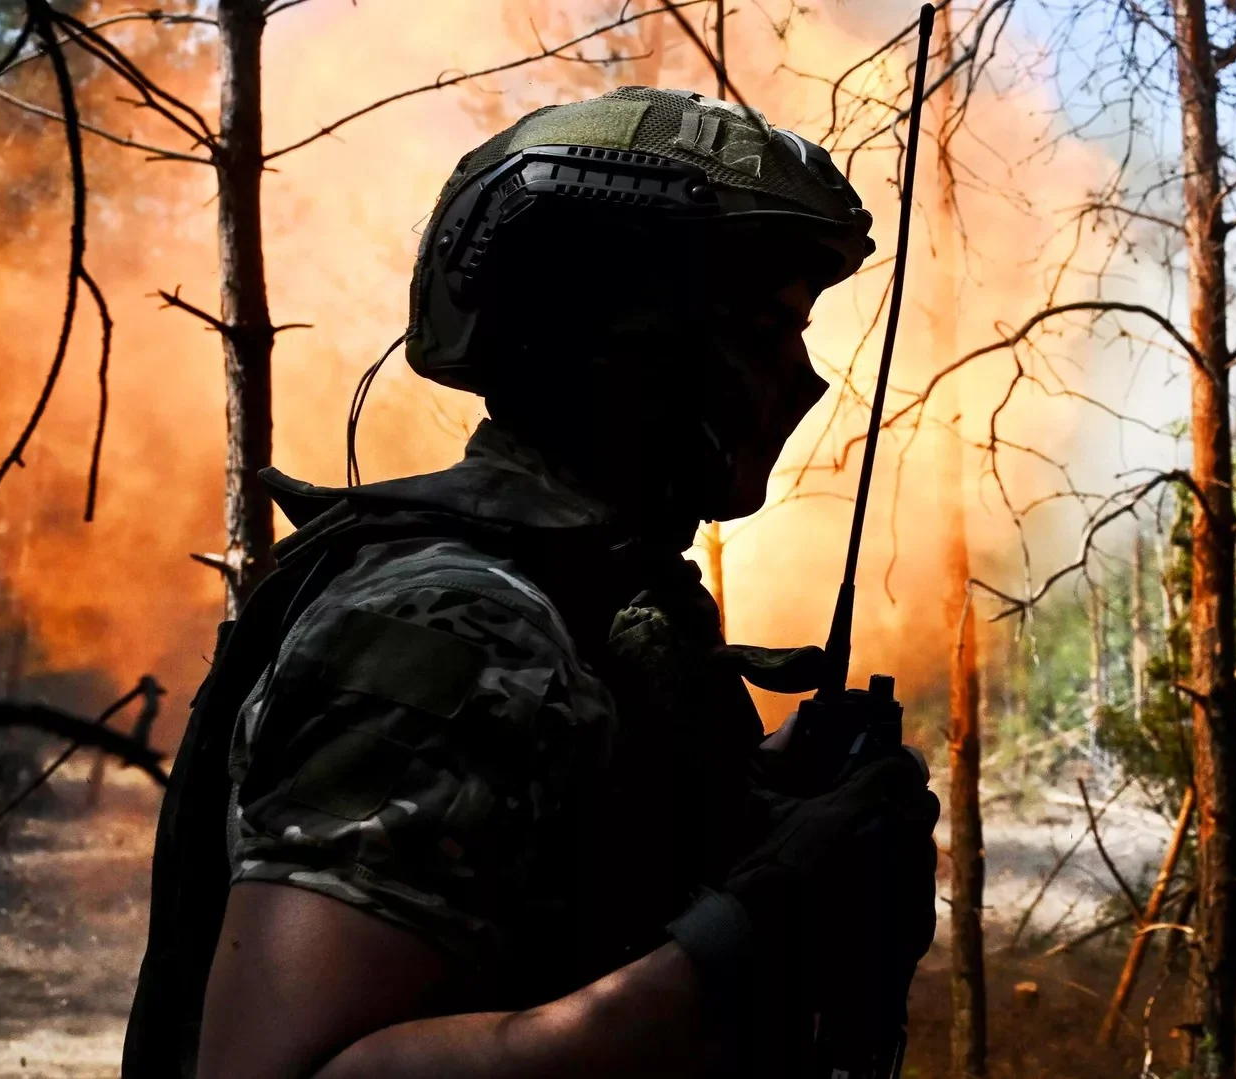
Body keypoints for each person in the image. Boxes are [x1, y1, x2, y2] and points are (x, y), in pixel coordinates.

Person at [122, 87, 939, 1079]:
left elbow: (553, 879)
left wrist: (760, 797)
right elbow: (284, 1067)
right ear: (632, 338)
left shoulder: (593, 601)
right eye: (768, 329)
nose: (804, 379)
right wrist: (746, 942)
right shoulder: (454, 626)